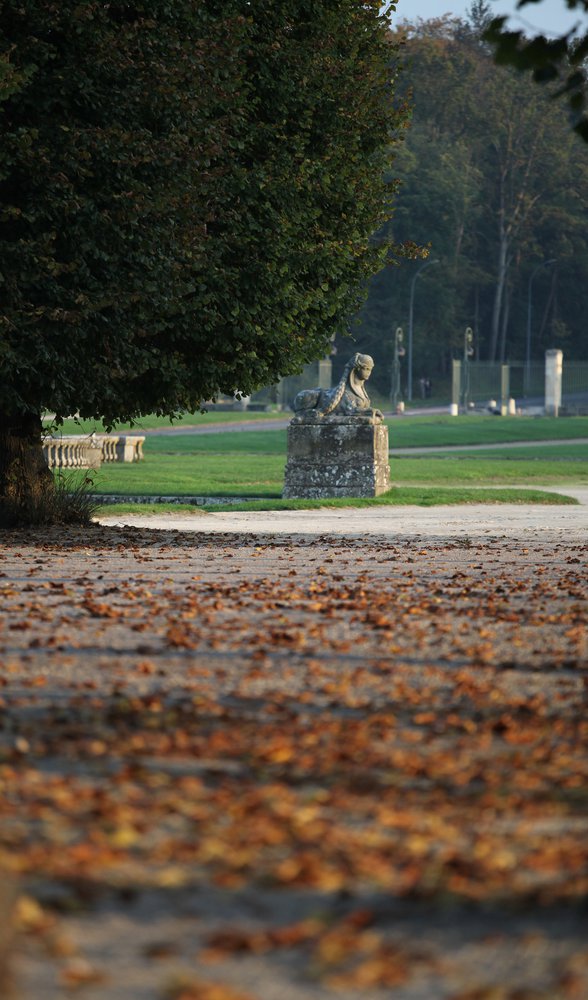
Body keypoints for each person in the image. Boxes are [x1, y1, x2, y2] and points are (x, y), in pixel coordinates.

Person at [293, 353, 383, 418]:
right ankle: (304, 413)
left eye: (370, 369)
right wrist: (371, 411)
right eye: (366, 369)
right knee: (314, 395)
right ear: (357, 369)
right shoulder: (347, 393)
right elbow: (351, 411)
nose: (369, 372)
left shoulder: (361, 392)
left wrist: (372, 411)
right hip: (314, 400)